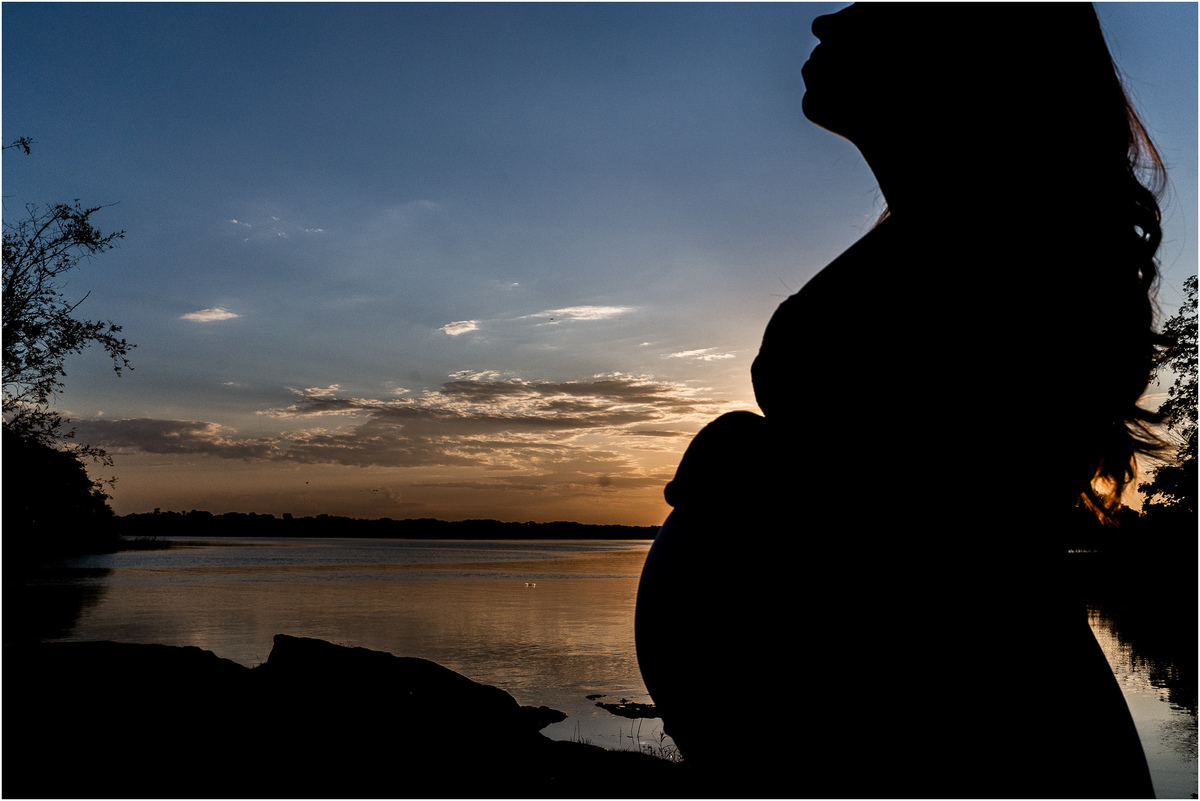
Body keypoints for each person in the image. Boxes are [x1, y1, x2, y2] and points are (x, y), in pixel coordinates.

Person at [635, 4, 1163, 797]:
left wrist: (764, 478)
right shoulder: (952, 237)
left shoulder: (1011, 259)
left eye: (874, 2)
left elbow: (948, 531)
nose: (826, 19)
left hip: (980, 744)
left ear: (964, 48)